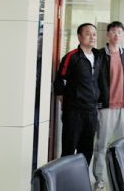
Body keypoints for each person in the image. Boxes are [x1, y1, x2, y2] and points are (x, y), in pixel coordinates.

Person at [93, 21, 124, 190]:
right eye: (113, 32)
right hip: (106, 106)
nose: (116, 35)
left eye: (119, 32)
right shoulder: (100, 54)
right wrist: (96, 100)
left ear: (123, 35)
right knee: (102, 144)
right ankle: (99, 178)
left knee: (119, 145)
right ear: (107, 34)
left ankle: (117, 176)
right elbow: (95, 79)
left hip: (123, 106)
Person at [53, 23, 100, 164]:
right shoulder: (71, 57)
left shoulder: (98, 56)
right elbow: (60, 80)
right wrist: (65, 98)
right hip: (74, 112)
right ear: (79, 37)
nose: (92, 37)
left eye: (94, 34)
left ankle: (82, 176)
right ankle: (65, 176)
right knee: (69, 148)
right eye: (87, 33)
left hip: (91, 111)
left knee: (87, 149)